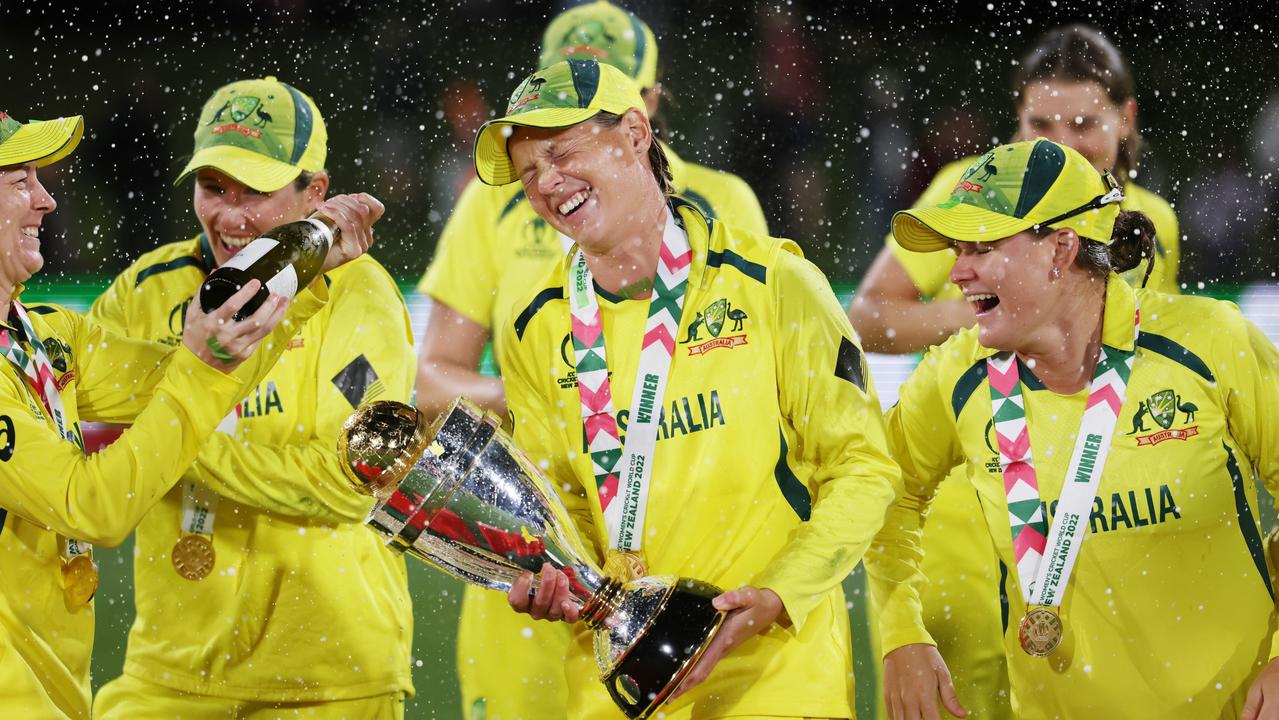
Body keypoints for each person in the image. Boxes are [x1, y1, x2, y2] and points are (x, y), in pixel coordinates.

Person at [472, 58, 899, 719]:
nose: (547, 182)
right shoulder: (534, 324)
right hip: (619, 686)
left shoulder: (772, 284)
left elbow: (863, 468)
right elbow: (556, 504)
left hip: (774, 680)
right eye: (528, 172)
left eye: (561, 151)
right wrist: (548, 571)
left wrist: (779, 594)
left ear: (636, 134)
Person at [414, 3, 769, 717]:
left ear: (645, 109)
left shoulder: (722, 203)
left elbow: (758, 372)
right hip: (542, 549)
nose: (551, 174)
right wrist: (554, 402)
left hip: (697, 560)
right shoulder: (495, 208)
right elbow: (429, 378)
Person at [868, 137, 1279, 720]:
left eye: (982, 245)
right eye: (957, 249)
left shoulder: (1210, 342)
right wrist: (901, 631)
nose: (958, 272)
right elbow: (884, 492)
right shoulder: (956, 375)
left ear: (1059, 248)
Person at [846, 25, 1182, 718]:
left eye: (1082, 123)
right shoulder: (967, 193)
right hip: (968, 506)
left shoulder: (1151, 224)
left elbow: (1136, 367)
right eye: (1039, 122)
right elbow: (869, 315)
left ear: (1126, 120)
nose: (1058, 141)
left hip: (1094, 508)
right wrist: (996, 316)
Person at [0, 110, 371, 719]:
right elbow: (92, 506)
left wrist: (301, 274)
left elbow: (196, 372)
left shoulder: (45, 333)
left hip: (51, 689)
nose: (45, 200)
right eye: (20, 183)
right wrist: (205, 366)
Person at [89, 78, 415, 719]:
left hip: (331, 678)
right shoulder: (145, 291)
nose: (230, 218)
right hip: (169, 674)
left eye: (257, 192)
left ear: (314, 192)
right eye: (213, 188)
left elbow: (349, 482)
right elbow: (82, 447)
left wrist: (172, 438)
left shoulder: (358, 292)